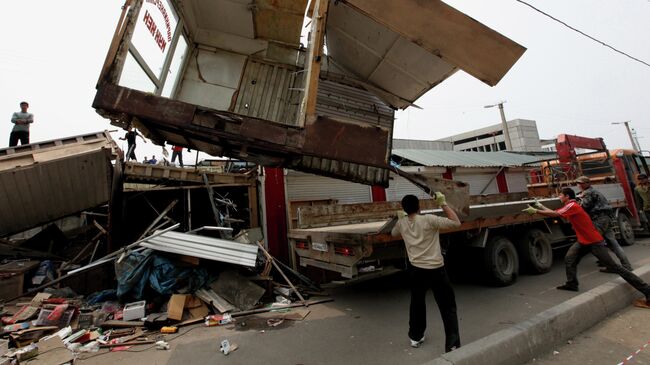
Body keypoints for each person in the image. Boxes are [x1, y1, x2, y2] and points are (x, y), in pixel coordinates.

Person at [523, 188, 650, 303]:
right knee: (570, 258)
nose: (559, 197)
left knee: (615, 267)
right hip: (583, 241)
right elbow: (555, 212)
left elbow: (555, 214)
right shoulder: (570, 205)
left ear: (567, 196)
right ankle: (572, 284)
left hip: (593, 241)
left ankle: (646, 289)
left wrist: (536, 211)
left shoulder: (572, 205)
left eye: (560, 195)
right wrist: (540, 206)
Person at [391, 193, 462, 352]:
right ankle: (452, 345)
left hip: (416, 270)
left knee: (417, 303)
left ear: (404, 209)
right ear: (419, 206)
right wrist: (443, 203)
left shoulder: (402, 224)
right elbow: (456, 223)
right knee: (447, 306)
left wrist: (400, 218)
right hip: (436, 269)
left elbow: (393, 234)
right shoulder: (429, 220)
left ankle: (415, 337)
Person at [574, 176, 632, 272]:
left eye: (581, 183)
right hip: (605, 218)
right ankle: (624, 265)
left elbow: (584, 206)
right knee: (612, 243)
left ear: (588, 183)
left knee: (596, 243)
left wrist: (576, 201)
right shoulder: (592, 192)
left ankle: (614, 266)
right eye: (578, 183)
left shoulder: (588, 193)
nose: (579, 185)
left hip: (599, 220)